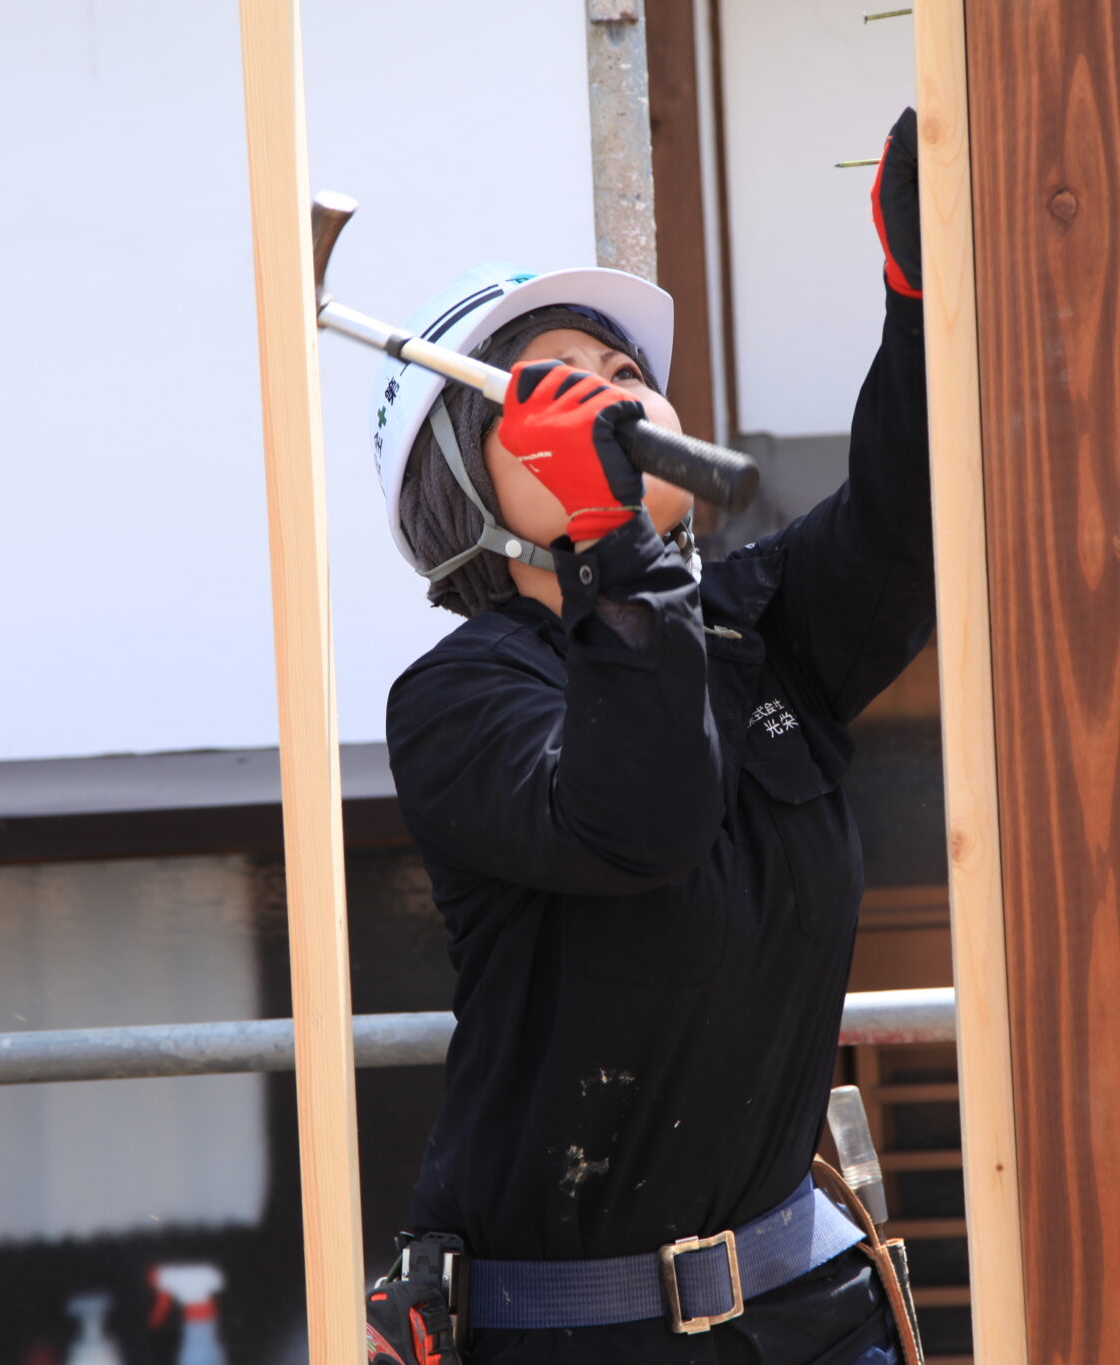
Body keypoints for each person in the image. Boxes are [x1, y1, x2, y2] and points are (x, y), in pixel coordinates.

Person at [373, 111, 929, 1365]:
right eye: (567, 381)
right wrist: (611, 544)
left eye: (628, 375)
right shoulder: (458, 701)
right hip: (578, 1336)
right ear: (467, 474)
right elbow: (644, 820)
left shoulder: (743, 625)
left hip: (811, 1318)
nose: (619, 392)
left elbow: (910, 523)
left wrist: (919, 297)